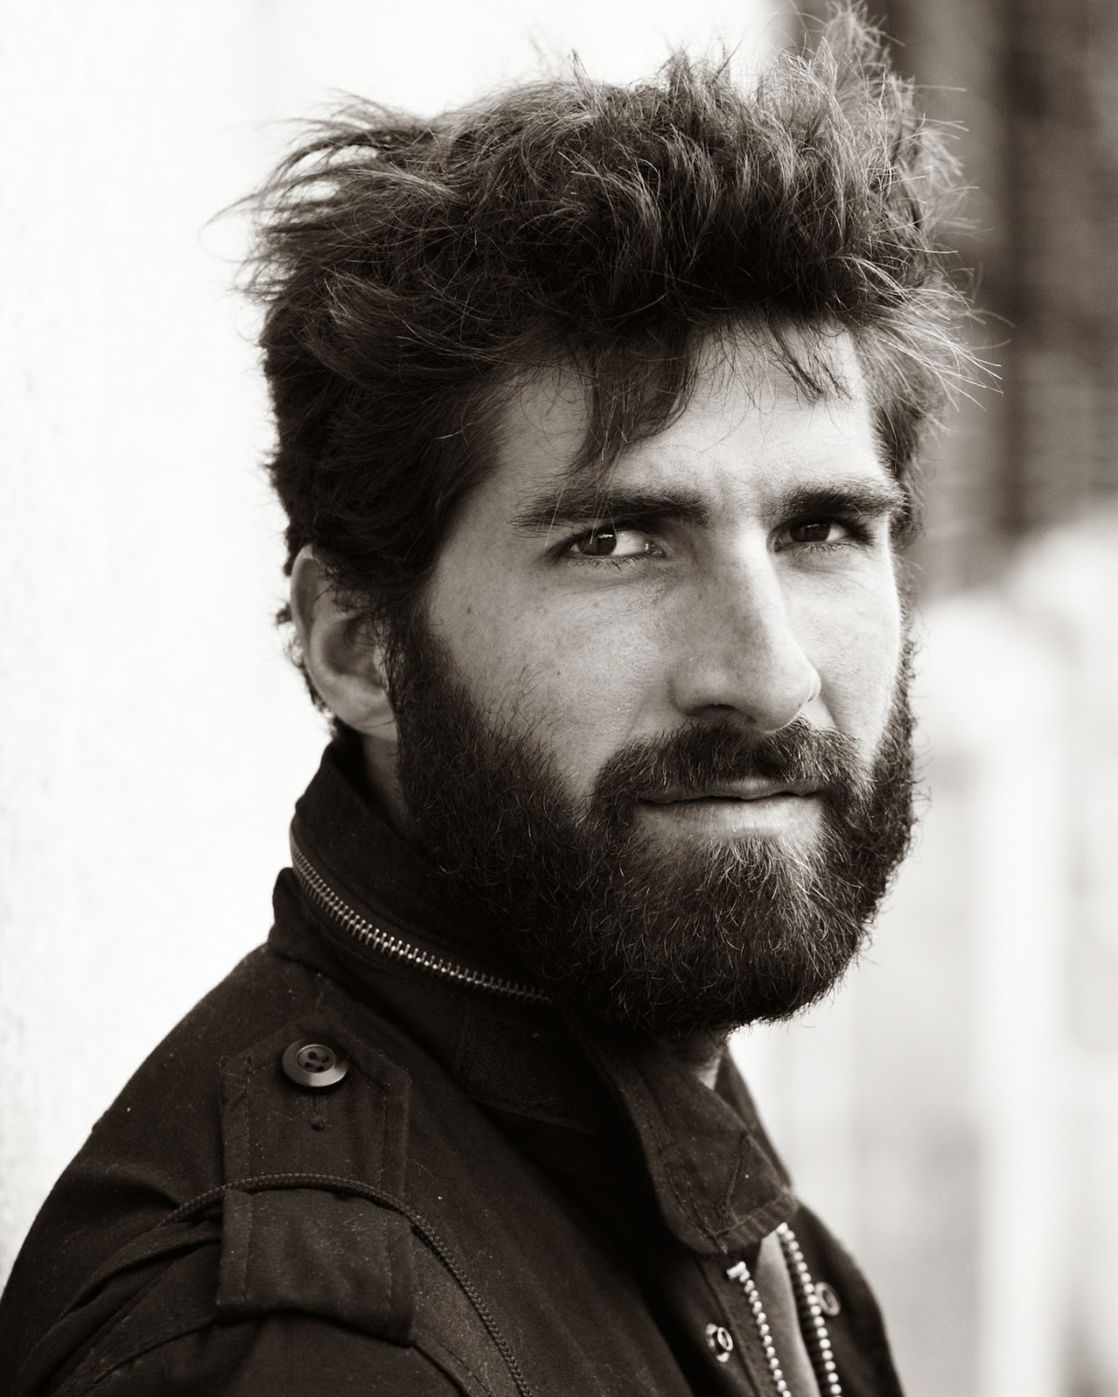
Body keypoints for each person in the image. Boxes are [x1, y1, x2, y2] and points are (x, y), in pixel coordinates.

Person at [0, 11, 974, 1394]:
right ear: (358, 645)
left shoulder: (667, 1145)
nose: (767, 676)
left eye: (821, 530)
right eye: (615, 543)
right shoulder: (311, 1350)